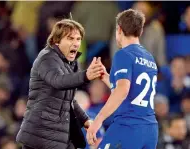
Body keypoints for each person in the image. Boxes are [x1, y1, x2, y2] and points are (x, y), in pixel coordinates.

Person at [16, 19, 104, 149]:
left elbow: (69, 100)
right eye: (70, 38)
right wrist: (85, 75)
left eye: (78, 39)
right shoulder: (47, 57)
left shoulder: (70, 63)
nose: (75, 43)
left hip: (58, 135)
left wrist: (85, 120)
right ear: (56, 41)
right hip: (40, 135)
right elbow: (58, 81)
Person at [87, 9, 158, 149]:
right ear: (141, 31)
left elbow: (122, 91)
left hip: (128, 127)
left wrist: (98, 120)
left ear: (119, 29)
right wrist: (105, 76)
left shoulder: (123, 54)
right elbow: (130, 91)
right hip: (150, 129)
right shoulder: (149, 58)